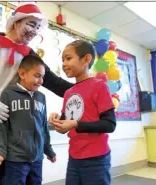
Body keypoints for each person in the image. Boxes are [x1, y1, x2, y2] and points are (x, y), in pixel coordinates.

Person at [0, 2, 72, 185]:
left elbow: (53, 81)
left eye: (37, 27)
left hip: (4, 122)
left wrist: (84, 87)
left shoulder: (30, 56)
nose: (34, 31)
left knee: (2, 174)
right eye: (30, 24)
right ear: (16, 22)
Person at [49, 40, 116, 185]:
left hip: (96, 158)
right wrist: (57, 119)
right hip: (74, 157)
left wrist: (76, 124)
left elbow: (110, 124)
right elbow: (65, 125)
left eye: (68, 58)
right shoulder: (68, 93)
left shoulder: (99, 86)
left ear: (86, 59)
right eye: (62, 60)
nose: (64, 64)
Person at [0, 54, 56, 185]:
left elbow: (43, 126)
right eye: (37, 76)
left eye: (42, 77)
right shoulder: (8, 94)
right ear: (22, 73)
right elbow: (2, 126)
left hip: (37, 159)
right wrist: (0, 151)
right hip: (15, 159)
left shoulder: (41, 97)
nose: (41, 81)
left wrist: (48, 150)